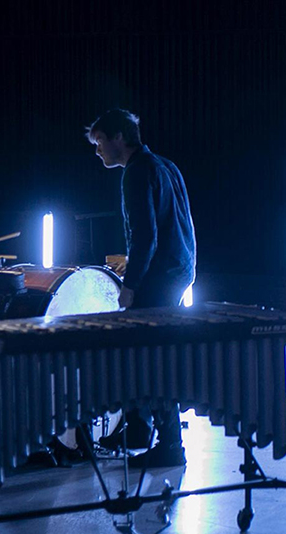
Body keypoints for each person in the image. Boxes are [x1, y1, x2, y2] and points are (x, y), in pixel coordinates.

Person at [86, 109, 196, 467]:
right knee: (142, 352)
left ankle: (171, 445)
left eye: (100, 142)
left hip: (160, 276)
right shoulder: (165, 165)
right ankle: (137, 429)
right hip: (178, 269)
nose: (98, 150)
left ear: (119, 137)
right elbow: (180, 225)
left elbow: (145, 235)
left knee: (152, 359)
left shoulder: (136, 172)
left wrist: (130, 284)